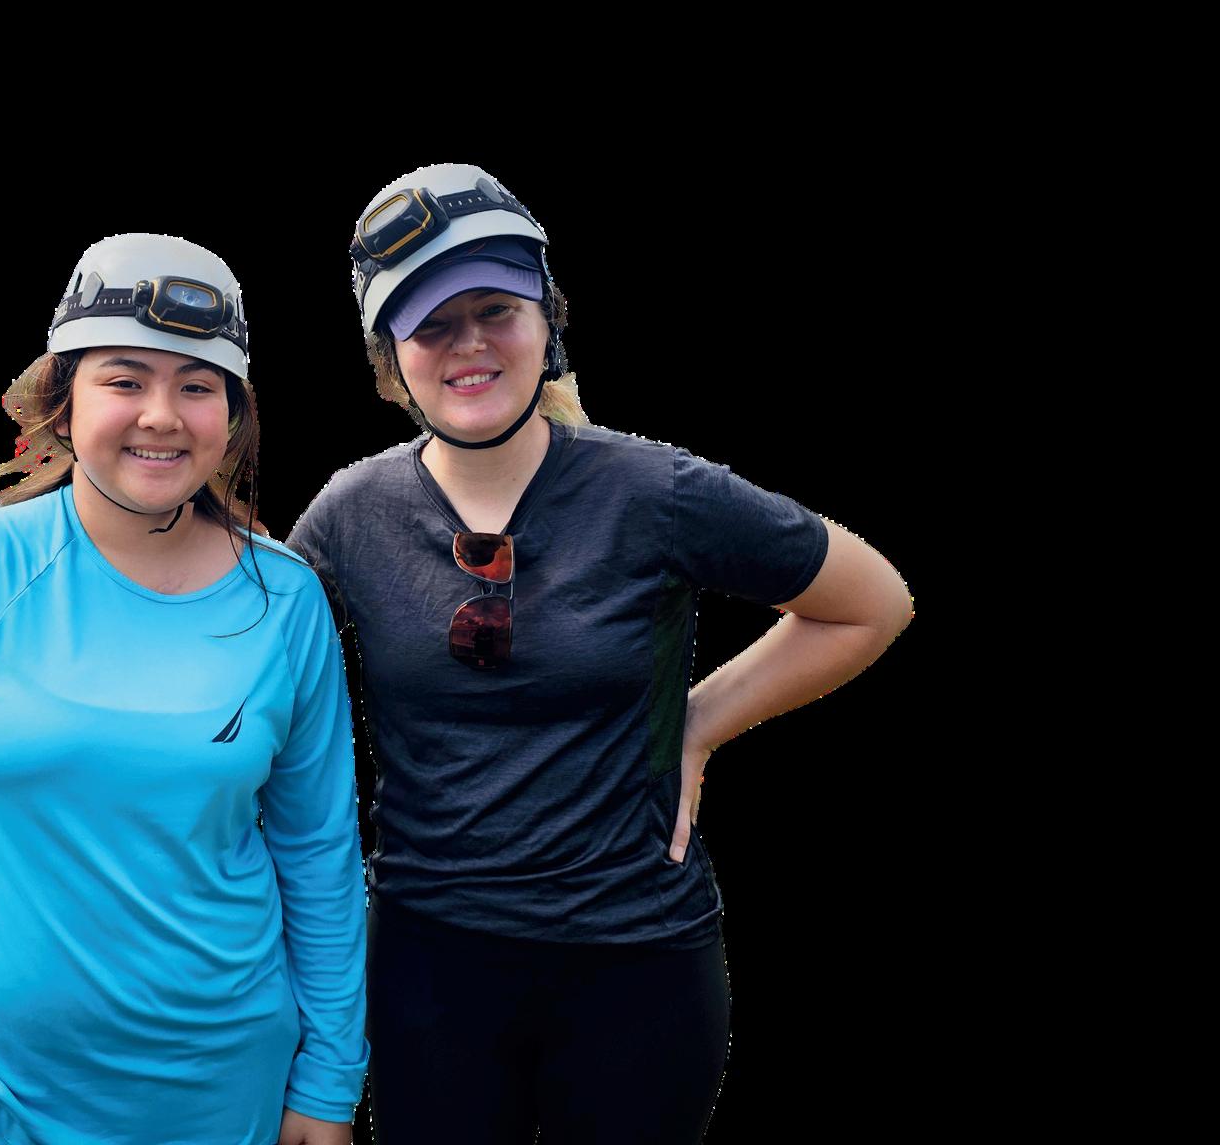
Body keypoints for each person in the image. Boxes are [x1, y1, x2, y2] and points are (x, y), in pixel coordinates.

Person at [284, 165, 914, 1145]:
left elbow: (870, 604)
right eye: (431, 325)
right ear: (389, 361)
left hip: (639, 969)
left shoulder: (657, 491)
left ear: (549, 318)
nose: (469, 344)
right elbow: (256, 689)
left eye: (495, 310)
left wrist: (699, 722)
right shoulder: (348, 514)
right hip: (428, 973)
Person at [0, 234, 369, 1145]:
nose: (162, 416)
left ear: (233, 414)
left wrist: (330, 1082)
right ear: (64, 404)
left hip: (224, 1100)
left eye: (197, 385)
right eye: (125, 380)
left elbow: (319, 852)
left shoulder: (287, 600)